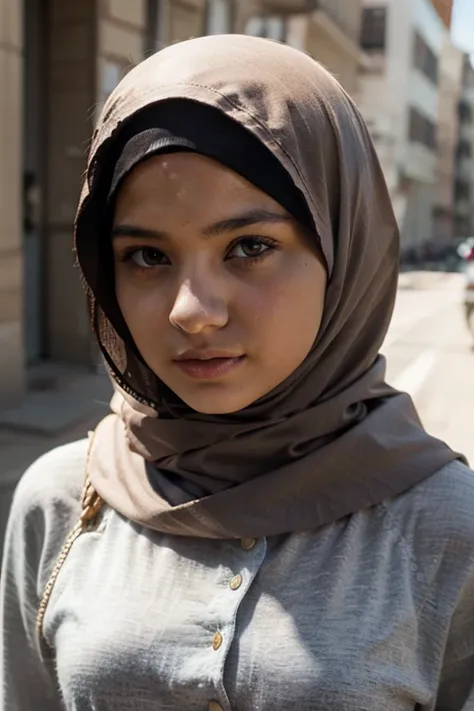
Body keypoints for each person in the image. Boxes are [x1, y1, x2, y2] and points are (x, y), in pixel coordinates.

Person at [1, 34, 473, 711]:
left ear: (344, 249)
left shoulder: (447, 531)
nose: (192, 310)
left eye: (249, 246)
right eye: (145, 256)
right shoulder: (61, 503)